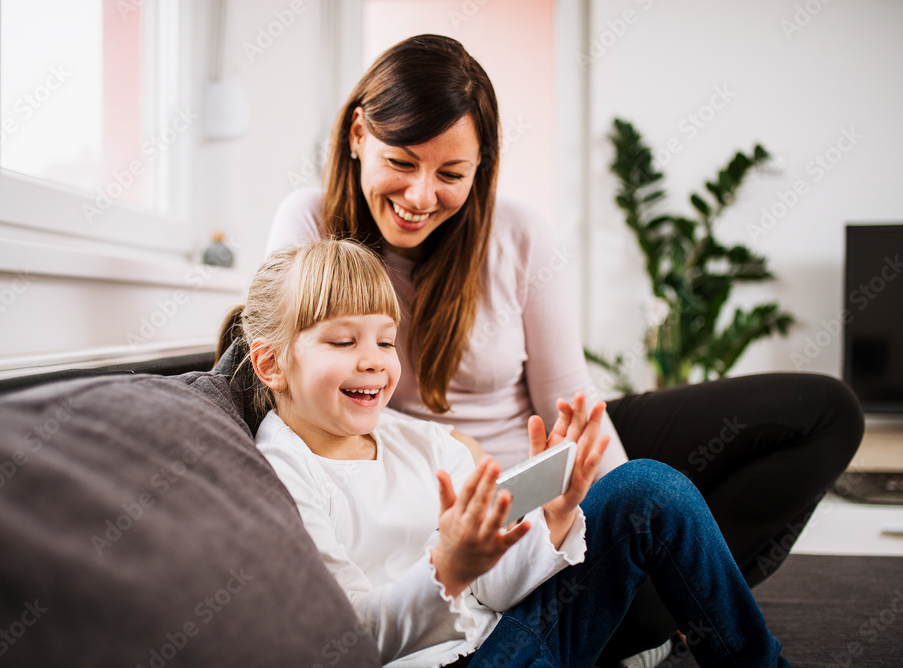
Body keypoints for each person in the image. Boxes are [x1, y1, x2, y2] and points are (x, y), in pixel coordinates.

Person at [263, 33, 864, 664]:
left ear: (481, 168)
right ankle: (650, 604)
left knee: (820, 412)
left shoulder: (518, 233)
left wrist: (593, 493)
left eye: (451, 174)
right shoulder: (309, 225)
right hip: (450, 499)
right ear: (359, 134)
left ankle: (663, 591)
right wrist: (463, 476)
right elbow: (292, 378)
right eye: (402, 162)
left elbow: (568, 398)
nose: (420, 197)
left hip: (535, 462)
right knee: (633, 534)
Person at [222, 238, 790, 667]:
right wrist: (446, 570)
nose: (373, 360)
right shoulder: (280, 474)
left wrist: (556, 515)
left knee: (650, 488)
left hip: (511, 638)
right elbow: (344, 640)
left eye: (386, 341)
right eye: (344, 342)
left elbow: (494, 588)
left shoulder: (421, 441)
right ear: (272, 364)